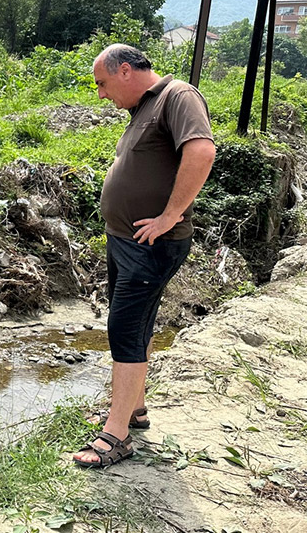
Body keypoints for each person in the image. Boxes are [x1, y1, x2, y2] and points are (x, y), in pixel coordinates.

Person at [73, 44, 216, 468]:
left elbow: (202, 151)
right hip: (126, 240)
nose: (100, 94)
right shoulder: (143, 109)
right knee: (137, 326)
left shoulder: (178, 97)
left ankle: (115, 438)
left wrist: (171, 215)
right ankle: (133, 410)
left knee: (125, 330)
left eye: (102, 83)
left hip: (149, 244)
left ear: (125, 71)